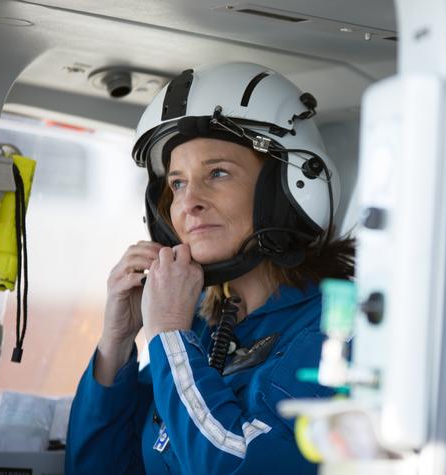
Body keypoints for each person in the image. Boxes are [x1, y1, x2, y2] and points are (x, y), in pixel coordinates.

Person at [65, 62, 354, 474]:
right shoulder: (202, 331)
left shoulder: (338, 333)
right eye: (178, 183)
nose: (187, 203)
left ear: (287, 188)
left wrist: (167, 334)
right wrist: (117, 344)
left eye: (217, 173)